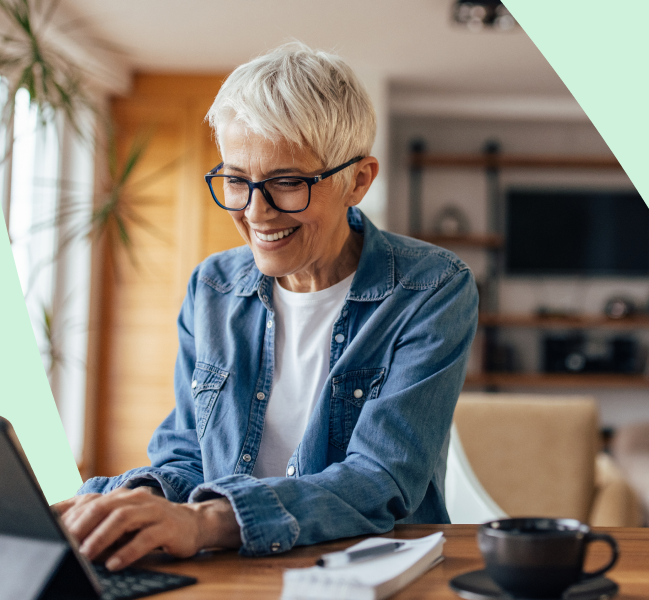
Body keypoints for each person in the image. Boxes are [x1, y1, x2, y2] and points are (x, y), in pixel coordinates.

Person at [54, 42, 478, 571]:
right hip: (232, 569)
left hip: (369, 574)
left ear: (359, 180)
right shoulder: (212, 287)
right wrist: (131, 503)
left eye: (286, 182)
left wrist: (207, 521)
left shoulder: (431, 288)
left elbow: (380, 479)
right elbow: (187, 452)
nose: (255, 211)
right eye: (237, 180)